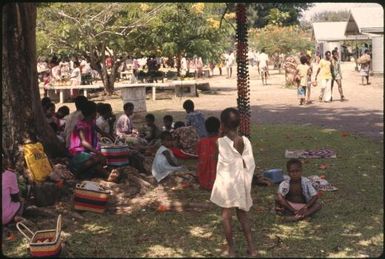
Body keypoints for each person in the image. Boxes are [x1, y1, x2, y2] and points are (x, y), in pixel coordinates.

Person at [210, 108, 257, 257]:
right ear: (239, 124)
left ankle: (231, 250)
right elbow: (249, 163)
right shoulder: (245, 141)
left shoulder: (220, 142)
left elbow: (214, 159)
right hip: (241, 184)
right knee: (243, 215)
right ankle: (252, 249)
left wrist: (219, 133)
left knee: (226, 216)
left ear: (222, 124)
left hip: (227, 185)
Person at [68, 101, 115, 180]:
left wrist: (113, 140)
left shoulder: (91, 122)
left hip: (88, 151)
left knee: (98, 162)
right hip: (78, 152)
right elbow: (83, 142)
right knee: (96, 159)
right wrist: (97, 152)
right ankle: (76, 174)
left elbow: (101, 132)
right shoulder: (81, 125)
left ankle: (107, 175)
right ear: (93, 113)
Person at [196, 116, 220, 190]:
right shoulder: (223, 142)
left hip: (203, 181)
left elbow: (200, 160)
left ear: (206, 129)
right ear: (219, 128)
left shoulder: (201, 142)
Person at [2, 156, 24, 225]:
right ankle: (15, 217)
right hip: (4, 218)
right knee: (21, 202)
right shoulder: (10, 175)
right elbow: (15, 198)